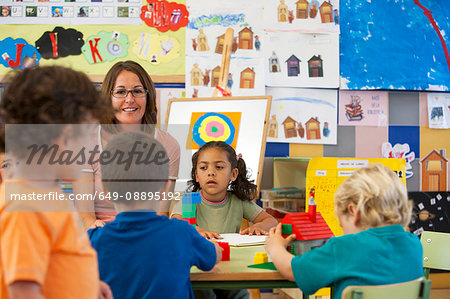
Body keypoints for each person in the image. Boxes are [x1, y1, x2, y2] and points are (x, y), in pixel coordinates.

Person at [0, 66, 113, 299]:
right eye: (88, 133)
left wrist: (88, 284)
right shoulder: (24, 207)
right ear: (65, 136)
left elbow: (56, 261)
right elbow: (22, 292)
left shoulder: (47, 193)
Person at [88, 131, 221, 299]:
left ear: (106, 191)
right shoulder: (181, 232)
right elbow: (212, 257)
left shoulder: (91, 241)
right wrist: (215, 249)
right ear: (164, 188)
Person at [265, 163, 423, 299]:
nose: (342, 230)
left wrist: (275, 246)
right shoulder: (414, 243)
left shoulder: (343, 247)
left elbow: (291, 270)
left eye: (341, 224)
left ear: (354, 212)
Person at [73, 60, 180, 229]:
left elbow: (161, 213)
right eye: (120, 92)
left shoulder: (169, 145)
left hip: (147, 234)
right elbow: (86, 217)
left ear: (148, 96)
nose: (130, 99)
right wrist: (98, 230)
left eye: (137, 91)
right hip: (103, 235)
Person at [171, 141, 278, 239]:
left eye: (219, 167)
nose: (211, 172)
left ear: (233, 174)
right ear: (197, 176)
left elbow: (272, 221)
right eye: (203, 167)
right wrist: (196, 231)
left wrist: (259, 226)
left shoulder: (239, 201)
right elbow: (174, 225)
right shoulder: (190, 200)